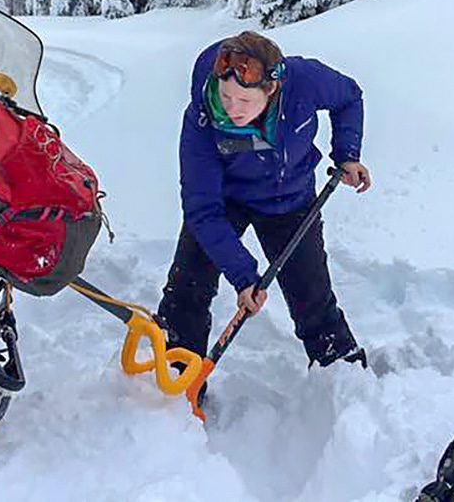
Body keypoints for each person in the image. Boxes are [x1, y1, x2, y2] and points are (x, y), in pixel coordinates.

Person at [157, 31, 372, 370]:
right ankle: (175, 375)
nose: (230, 109)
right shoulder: (202, 118)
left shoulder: (303, 80)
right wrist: (244, 276)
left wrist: (346, 154)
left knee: (311, 294)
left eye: (244, 102)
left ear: (271, 90)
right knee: (188, 286)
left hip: (291, 199)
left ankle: (342, 372)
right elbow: (202, 208)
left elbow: (349, 97)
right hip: (226, 201)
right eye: (226, 96)